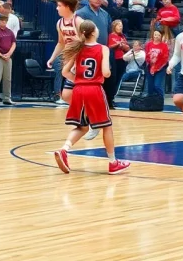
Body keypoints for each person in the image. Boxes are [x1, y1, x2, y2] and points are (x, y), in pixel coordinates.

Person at [52, 20, 131, 175]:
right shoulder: (103, 48)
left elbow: (65, 72)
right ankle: (113, 162)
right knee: (107, 126)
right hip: (94, 89)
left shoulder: (78, 48)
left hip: (79, 89)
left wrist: (80, 81)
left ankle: (64, 149)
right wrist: (101, 73)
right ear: (94, 32)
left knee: (82, 126)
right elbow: (106, 73)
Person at [46, 0, 83, 105]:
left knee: (76, 90)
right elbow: (61, 43)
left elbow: (86, 42)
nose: (57, 8)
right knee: (68, 94)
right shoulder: (59, 23)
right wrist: (52, 58)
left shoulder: (78, 21)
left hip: (80, 59)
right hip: (69, 58)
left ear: (67, 7)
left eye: (59, 5)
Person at [144, 30, 170, 97]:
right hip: (150, 67)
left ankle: (161, 99)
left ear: (161, 37)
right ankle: (150, 101)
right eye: (155, 34)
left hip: (160, 68)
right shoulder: (148, 44)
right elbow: (146, 55)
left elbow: (165, 57)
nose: (157, 36)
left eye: (158, 35)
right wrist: (150, 60)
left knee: (157, 85)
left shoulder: (164, 46)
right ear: (153, 35)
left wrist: (158, 66)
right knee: (150, 86)